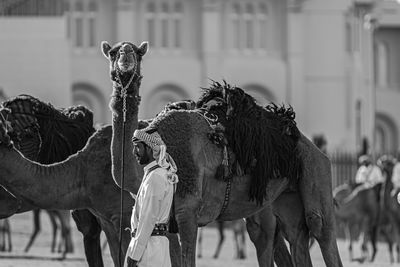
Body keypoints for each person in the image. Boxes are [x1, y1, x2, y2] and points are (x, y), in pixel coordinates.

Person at [125, 128, 179, 267]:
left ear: (150, 149)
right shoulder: (155, 174)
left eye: (138, 147)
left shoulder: (155, 177)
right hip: (152, 247)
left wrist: (134, 255)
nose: (134, 152)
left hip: (149, 251)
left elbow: (147, 220)